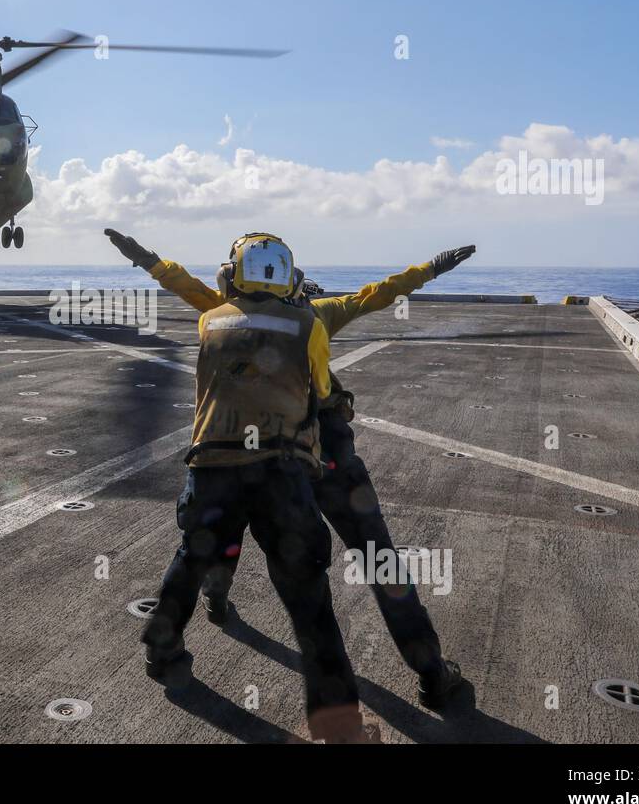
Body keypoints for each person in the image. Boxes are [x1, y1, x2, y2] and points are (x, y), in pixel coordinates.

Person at [106, 227, 473, 710]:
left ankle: (207, 608)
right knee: (378, 559)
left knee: (211, 536)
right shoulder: (313, 317)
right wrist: (431, 267)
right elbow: (378, 294)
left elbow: (187, 287)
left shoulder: (225, 315)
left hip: (258, 453)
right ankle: (429, 673)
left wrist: (146, 258)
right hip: (327, 458)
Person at [137, 232, 377, 743]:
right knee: (310, 601)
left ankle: (162, 648)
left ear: (230, 276)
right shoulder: (309, 325)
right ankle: (338, 730)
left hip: (212, 467)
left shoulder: (211, 319)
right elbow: (323, 390)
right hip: (280, 474)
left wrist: (150, 261)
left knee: (191, 558)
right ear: (290, 280)